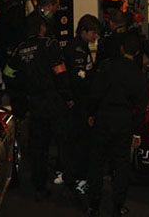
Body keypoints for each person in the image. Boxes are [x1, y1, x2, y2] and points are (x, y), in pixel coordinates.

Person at [3, 15, 73, 201]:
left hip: (34, 103)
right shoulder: (50, 44)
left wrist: (21, 93)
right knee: (64, 142)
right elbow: (60, 72)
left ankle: (39, 186)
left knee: (38, 147)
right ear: (42, 28)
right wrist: (67, 96)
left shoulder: (20, 50)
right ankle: (70, 182)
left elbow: (8, 74)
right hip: (54, 101)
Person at [86, 32, 147, 217]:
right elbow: (141, 107)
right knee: (121, 165)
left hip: (104, 118)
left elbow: (95, 93)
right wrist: (137, 133)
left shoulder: (107, 67)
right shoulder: (138, 75)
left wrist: (91, 113)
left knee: (97, 162)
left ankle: (93, 205)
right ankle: (117, 206)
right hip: (124, 121)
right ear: (136, 53)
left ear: (121, 49)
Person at [58, 14, 101, 193]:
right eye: (93, 33)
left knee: (73, 140)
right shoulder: (77, 50)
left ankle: (68, 173)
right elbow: (78, 80)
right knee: (79, 141)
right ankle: (75, 177)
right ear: (83, 31)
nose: (95, 37)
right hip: (78, 103)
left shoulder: (80, 47)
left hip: (76, 101)